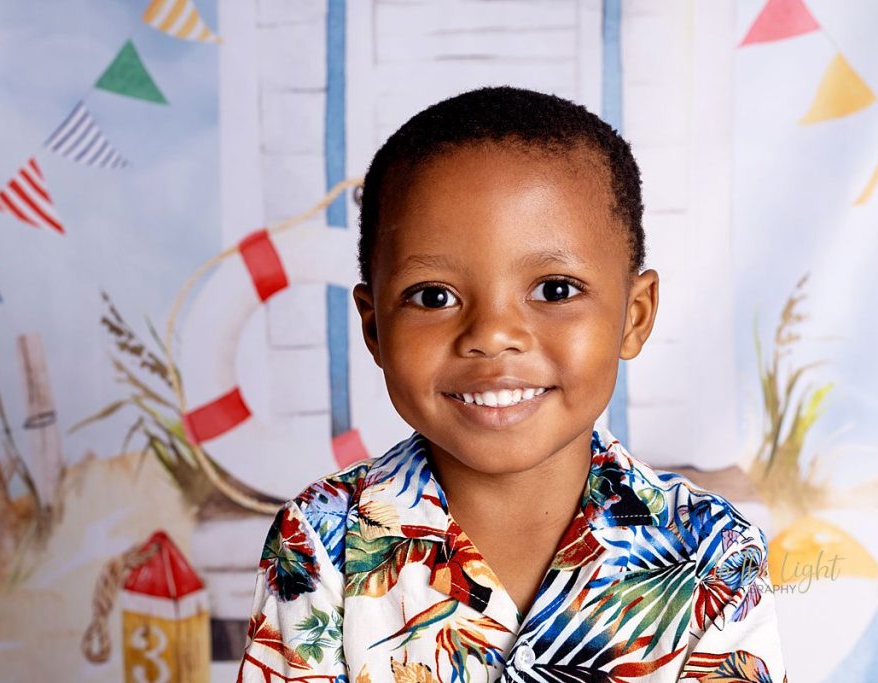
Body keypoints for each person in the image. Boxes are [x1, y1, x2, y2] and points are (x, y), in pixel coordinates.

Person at [236, 85, 788, 683]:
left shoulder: (711, 552)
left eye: (555, 289)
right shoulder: (320, 541)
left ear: (634, 316)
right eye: (434, 297)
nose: (493, 335)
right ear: (373, 327)